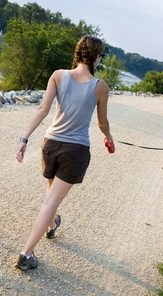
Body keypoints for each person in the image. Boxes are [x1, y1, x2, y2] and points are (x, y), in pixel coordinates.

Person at [14, 35, 114, 271]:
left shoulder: (58, 75)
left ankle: (51, 226)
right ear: (97, 56)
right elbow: (102, 122)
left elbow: (43, 108)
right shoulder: (100, 86)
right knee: (51, 200)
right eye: (101, 56)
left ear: (79, 53)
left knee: (51, 194)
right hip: (75, 150)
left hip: (50, 145)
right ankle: (26, 254)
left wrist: (24, 139)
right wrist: (109, 138)